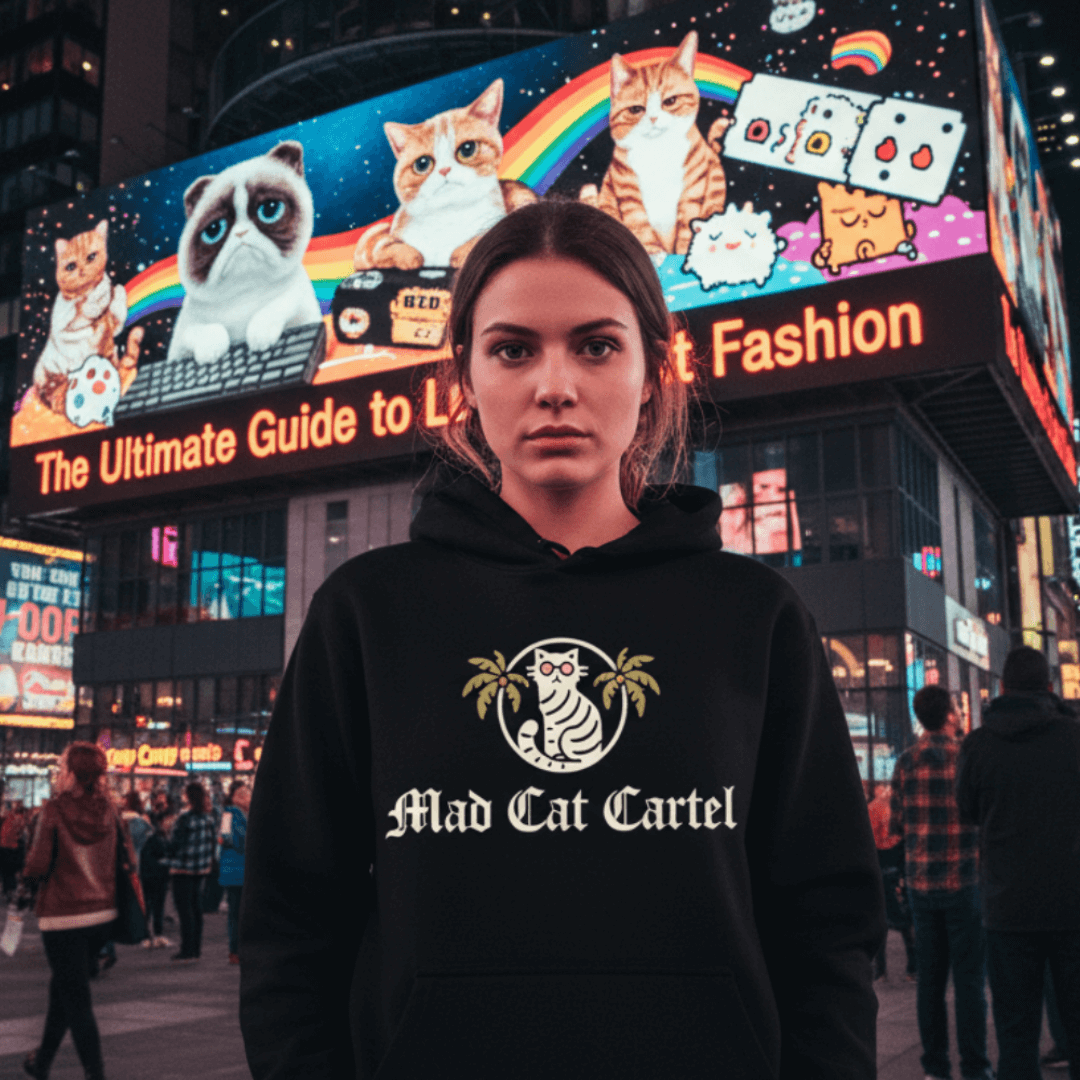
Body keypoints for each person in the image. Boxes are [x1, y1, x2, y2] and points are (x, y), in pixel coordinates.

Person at [239, 200, 886, 1079]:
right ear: (463, 374)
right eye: (513, 349)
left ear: (655, 370)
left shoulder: (755, 615)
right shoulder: (367, 611)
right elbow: (291, 917)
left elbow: (827, 919)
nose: (555, 385)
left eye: (596, 345)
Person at [957, 646, 1080, 1080]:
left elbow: (967, 812)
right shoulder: (1073, 737)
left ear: (1003, 688)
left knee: (1015, 1040)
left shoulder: (979, 744)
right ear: (1048, 687)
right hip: (1071, 905)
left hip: (1007, 909)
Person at [890, 685, 992, 1080]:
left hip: (921, 886)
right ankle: (976, 1068)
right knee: (970, 981)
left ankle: (935, 1067)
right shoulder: (967, 756)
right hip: (966, 881)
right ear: (950, 714)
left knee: (930, 982)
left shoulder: (905, 763)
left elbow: (898, 824)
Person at [20, 742, 136, 1080]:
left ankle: (94, 1072)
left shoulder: (55, 809)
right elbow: (126, 859)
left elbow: (39, 862)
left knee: (77, 1000)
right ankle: (41, 1062)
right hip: (102, 913)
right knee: (64, 990)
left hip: (63, 914)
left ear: (70, 772)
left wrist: (25, 883)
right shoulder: (110, 810)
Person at [867, 783, 916, 982]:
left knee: (881, 925)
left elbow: (871, 841)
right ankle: (912, 970)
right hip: (897, 873)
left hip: (881, 873)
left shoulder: (872, 809)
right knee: (906, 924)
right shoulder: (899, 811)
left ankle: (880, 972)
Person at [164, 781, 215, 962]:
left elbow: (175, 845)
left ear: (188, 797)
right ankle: (196, 948)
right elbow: (211, 843)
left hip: (182, 869)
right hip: (200, 868)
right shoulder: (207, 819)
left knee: (184, 910)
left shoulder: (184, 819)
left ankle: (186, 948)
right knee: (196, 908)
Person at [218, 781, 249, 964]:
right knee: (236, 912)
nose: (249, 798)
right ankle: (235, 950)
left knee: (240, 912)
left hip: (241, 870)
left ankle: (239, 949)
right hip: (235, 870)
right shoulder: (230, 815)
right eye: (244, 794)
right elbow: (227, 839)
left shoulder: (245, 815)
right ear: (235, 797)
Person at [139, 800, 172, 949]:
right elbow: (155, 859)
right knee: (155, 906)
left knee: (151, 906)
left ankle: (150, 936)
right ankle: (153, 935)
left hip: (150, 876)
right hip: (156, 877)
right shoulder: (158, 838)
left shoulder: (155, 837)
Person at [1, 799, 27, 897]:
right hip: (10, 847)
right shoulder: (13, 818)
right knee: (9, 870)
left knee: (7, 870)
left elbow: (19, 831)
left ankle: (8, 888)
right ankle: (9, 888)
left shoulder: (12, 818)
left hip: (8, 847)